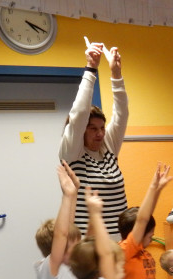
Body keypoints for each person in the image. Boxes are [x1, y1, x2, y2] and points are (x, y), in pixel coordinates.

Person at [59, 41, 128, 237]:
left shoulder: (108, 148)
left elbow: (122, 113)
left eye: (101, 128)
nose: (99, 134)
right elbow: (79, 114)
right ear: (81, 131)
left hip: (120, 241)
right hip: (88, 246)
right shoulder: (72, 153)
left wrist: (116, 74)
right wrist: (91, 69)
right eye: (92, 129)